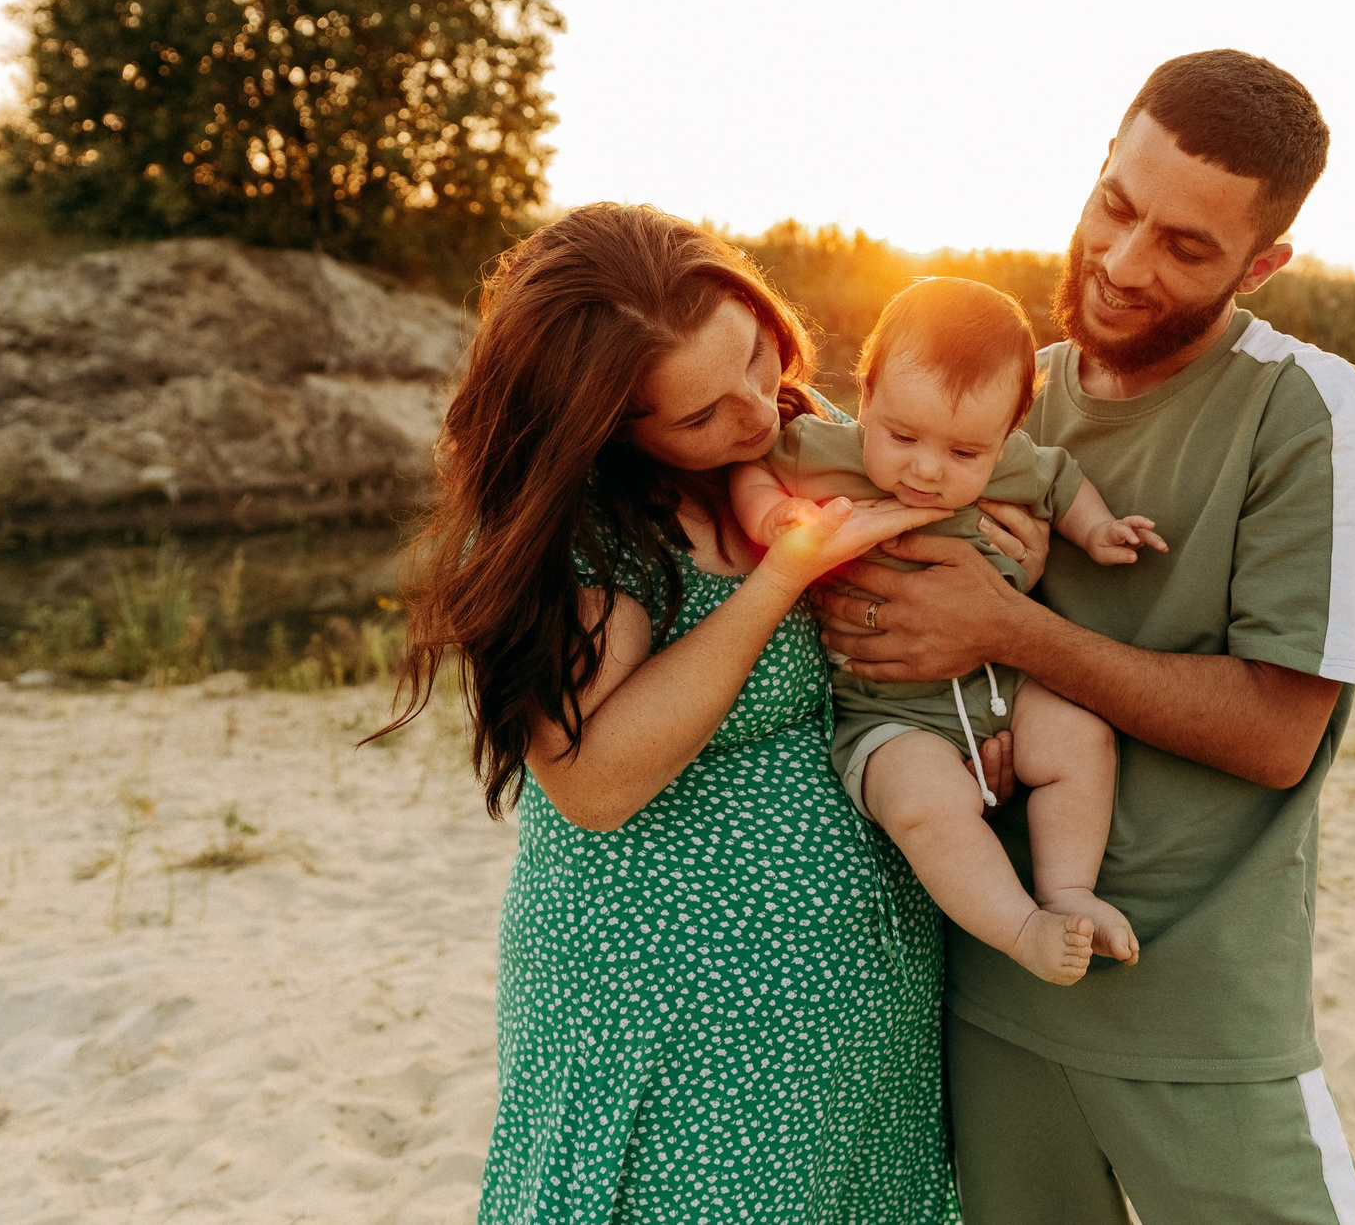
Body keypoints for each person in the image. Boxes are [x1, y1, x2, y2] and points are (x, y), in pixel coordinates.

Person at [815, 49, 1355, 1225]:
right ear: (1095, 170)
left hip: (1198, 1018)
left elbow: (1276, 732)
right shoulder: (995, 397)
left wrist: (1009, 627)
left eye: (1186, 246)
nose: (1124, 261)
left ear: (1264, 263)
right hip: (988, 995)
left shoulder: (1314, 415)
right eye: (1116, 206)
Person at [390, 203, 963, 1224]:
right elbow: (594, 780)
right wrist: (779, 578)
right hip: (671, 1021)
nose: (754, 407)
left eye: (753, 354)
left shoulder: (792, 438)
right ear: (605, 429)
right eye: (701, 415)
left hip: (854, 1007)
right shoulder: (582, 528)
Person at [734, 277, 1164, 986]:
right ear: (866, 398)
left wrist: (1097, 528)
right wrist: (768, 518)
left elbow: (1061, 482)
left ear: (1006, 436)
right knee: (927, 806)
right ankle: (1022, 928)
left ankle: (1066, 892)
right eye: (902, 437)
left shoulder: (1015, 462)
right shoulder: (824, 449)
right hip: (887, 711)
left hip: (1003, 683)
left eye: (966, 453)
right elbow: (755, 465)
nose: (928, 469)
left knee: (1081, 737)